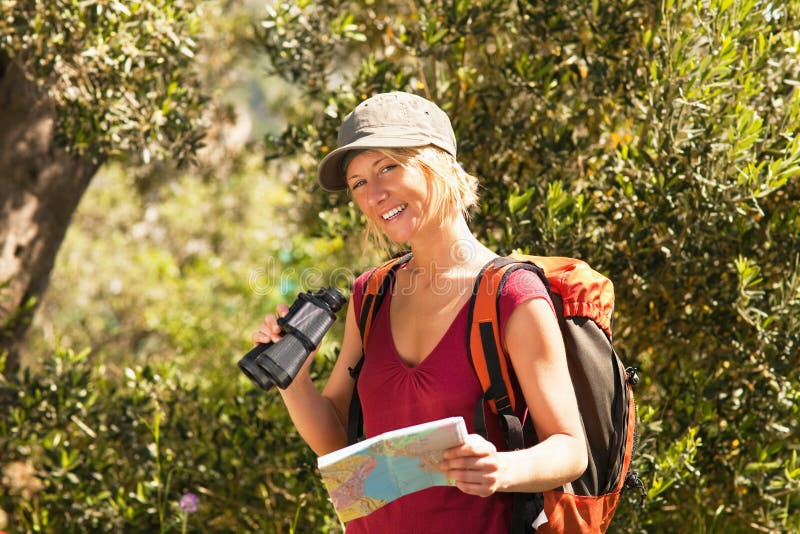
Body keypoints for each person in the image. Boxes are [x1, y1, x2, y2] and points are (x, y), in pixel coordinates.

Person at [252, 91, 587, 533]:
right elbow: (336, 440)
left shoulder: (510, 294)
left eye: (387, 167)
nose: (374, 194)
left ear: (438, 162)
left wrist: (502, 469)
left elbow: (569, 448)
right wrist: (293, 383)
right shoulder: (371, 294)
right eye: (357, 184)